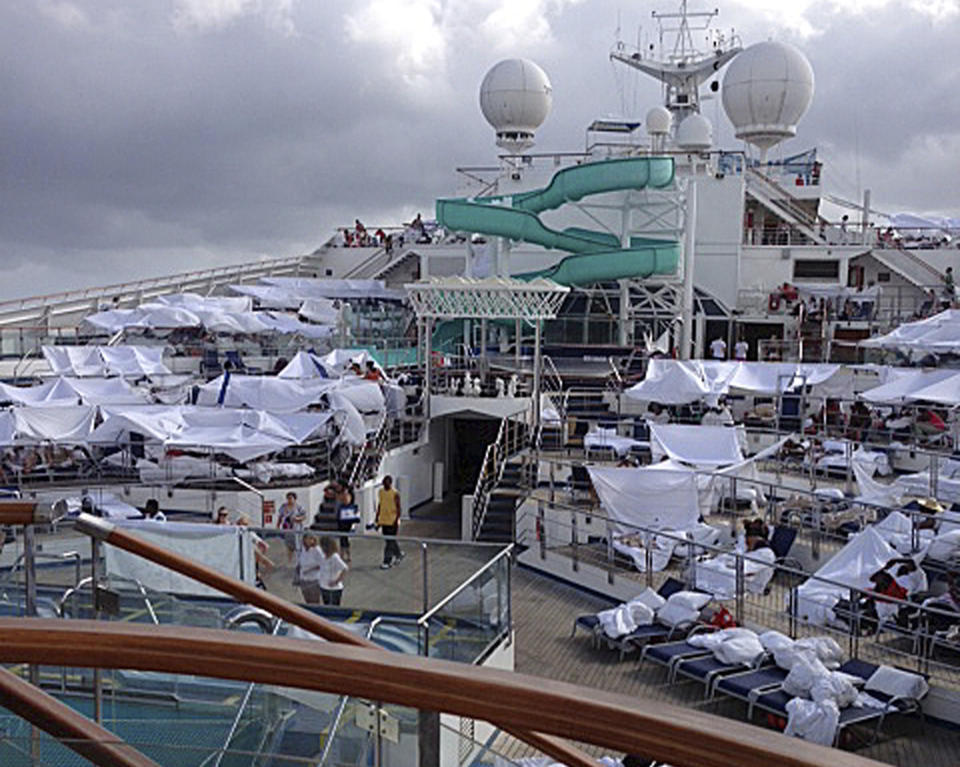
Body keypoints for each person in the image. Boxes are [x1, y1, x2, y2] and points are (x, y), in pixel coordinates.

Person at [376, 475, 403, 569]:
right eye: (384, 483)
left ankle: (387, 560)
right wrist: (377, 517)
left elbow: (399, 507)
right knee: (389, 540)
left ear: (390, 483)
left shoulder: (395, 493)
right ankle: (398, 554)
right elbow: (381, 504)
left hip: (392, 520)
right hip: (384, 520)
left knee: (389, 542)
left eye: (387, 483)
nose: (385, 485)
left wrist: (397, 519)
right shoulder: (381, 492)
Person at [318, 536, 348, 605]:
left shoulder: (335, 557)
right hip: (324, 586)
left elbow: (345, 568)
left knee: (333, 606)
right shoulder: (323, 556)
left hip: (334, 589)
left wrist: (336, 581)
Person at [278, 491, 307, 564]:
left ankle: (299, 561)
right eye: (288, 498)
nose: (289, 500)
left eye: (291, 498)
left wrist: (297, 519)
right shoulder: (284, 506)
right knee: (288, 545)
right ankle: (289, 561)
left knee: (297, 544)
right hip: (287, 528)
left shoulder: (298, 507)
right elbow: (280, 516)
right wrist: (278, 525)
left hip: (296, 528)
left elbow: (304, 516)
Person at [297, 533, 324, 604]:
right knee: (307, 600)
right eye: (308, 539)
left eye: (311, 539)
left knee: (315, 600)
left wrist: (310, 570)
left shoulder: (317, 550)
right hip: (303, 579)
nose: (310, 541)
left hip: (314, 579)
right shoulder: (302, 549)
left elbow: (322, 563)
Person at [336, 481, 359, 563]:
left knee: (344, 537)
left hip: (345, 518)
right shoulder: (342, 493)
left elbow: (347, 501)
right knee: (343, 538)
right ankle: (344, 554)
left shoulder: (347, 493)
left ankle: (345, 555)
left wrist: (341, 497)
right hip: (341, 517)